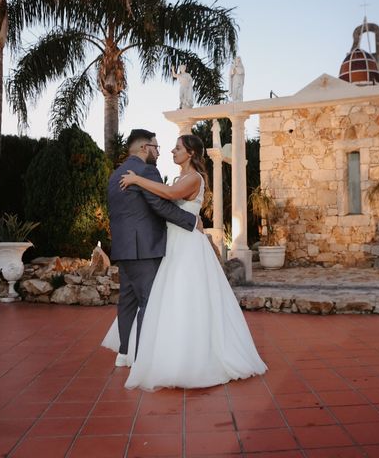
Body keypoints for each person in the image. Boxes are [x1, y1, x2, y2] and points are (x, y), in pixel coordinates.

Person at [114, 134, 267, 391]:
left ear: (191, 154)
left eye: (178, 148)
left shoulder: (194, 178)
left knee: (185, 297)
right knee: (168, 299)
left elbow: (170, 194)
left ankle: (192, 357)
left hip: (186, 246)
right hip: (173, 243)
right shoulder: (179, 177)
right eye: (172, 147)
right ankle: (165, 352)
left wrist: (137, 179)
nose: (172, 151)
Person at [103, 129, 201, 368]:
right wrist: (192, 221)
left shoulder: (115, 175)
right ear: (145, 148)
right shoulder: (147, 170)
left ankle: (124, 354)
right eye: (156, 147)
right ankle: (143, 357)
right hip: (145, 249)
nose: (160, 152)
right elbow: (160, 206)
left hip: (123, 249)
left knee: (127, 301)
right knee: (149, 301)